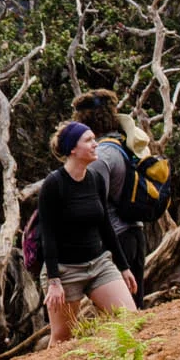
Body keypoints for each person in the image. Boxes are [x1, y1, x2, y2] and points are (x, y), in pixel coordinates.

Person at [39, 120, 139, 344]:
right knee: (63, 338)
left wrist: (123, 267)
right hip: (65, 271)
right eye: (89, 140)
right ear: (73, 149)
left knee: (130, 320)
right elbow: (48, 234)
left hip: (98, 264)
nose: (96, 144)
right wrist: (54, 281)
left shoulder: (94, 179)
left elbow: (105, 226)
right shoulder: (54, 184)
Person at [72, 88, 149, 300]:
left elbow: (95, 206)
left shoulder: (102, 156)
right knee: (134, 303)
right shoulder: (122, 143)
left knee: (119, 311)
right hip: (134, 233)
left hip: (115, 238)